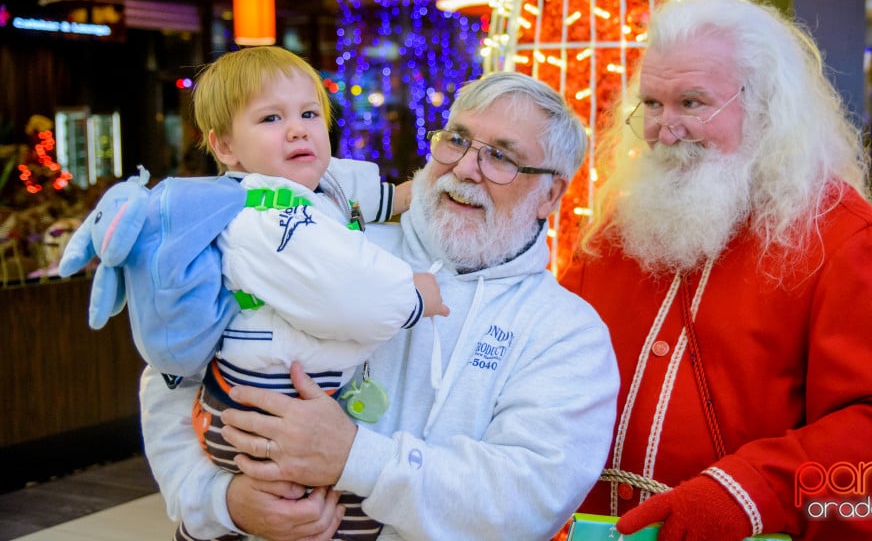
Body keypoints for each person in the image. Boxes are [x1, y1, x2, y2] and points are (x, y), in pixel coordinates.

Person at [138, 70, 620, 540]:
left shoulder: (566, 332)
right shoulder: (324, 242)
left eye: (500, 157)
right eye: (457, 140)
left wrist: (355, 458)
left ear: (550, 194)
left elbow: (527, 499)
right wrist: (223, 502)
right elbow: (171, 373)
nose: (465, 169)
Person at [559, 0, 872, 541]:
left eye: (692, 102)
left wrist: (752, 495)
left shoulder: (844, 238)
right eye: (651, 103)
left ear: (766, 106)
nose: (665, 128)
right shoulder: (617, 229)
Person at [86, 46, 448, 541]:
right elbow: (351, 299)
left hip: (275, 403)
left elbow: (375, 197)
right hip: (261, 410)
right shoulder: (266, 214)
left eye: (309, 113)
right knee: (335, 517)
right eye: (271, 117)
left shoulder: (318, 189)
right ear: (228, 149)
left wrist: (427, 184)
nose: (298, 128)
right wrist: (415, 297)